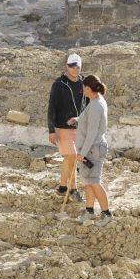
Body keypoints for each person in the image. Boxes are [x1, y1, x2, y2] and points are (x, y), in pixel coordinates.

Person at [47, 53, 86, 203]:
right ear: (67, 67)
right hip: (62, 128)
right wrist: (51, 130)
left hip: (79, 127)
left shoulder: (83, 82)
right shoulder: (59, 84)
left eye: (77, 66)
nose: (75, 69)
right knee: (72, 157)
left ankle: (63, 187)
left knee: (70, 158)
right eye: (72, 66)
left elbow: (87, 105)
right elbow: (52, 108)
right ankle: (73, 190)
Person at [74, 74, 112, 227]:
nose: (83, 90)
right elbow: (89, 122)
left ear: (88, 88)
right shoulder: (95, 102)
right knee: (87, 182)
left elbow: (92, 132)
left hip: (93, 149)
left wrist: (82, 154)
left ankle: (106, 213)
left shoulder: (96, 105)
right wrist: (77, 120)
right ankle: (89, 210)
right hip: (89, 149)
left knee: (94, 182)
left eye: (84, 88)